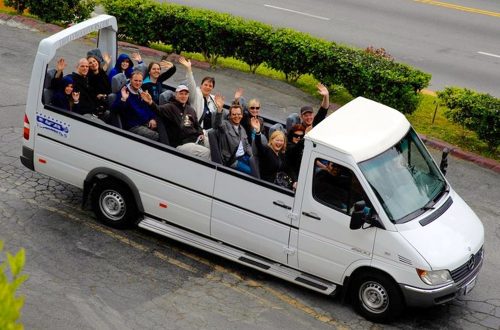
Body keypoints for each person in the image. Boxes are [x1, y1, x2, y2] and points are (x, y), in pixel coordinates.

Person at [146, 84, 211, 160]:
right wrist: (150, 102)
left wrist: (200, 133)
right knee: (207, 153)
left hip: (196, 138)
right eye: (181, 94)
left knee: (213, 145)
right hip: (181, 144)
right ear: (176, 95)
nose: (183, 96)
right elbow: (158, 109)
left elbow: (197, 125)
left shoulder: (191, 109)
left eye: (185, 94)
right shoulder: (170, 107)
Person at [111, 70, 159, 141]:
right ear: (130, 80)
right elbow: (114, 109)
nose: (138, 83)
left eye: (140, 81)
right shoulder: (124, 92)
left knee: (163, 127)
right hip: (133, 126)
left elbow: (147, 108)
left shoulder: (141, 92)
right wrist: (123, 99)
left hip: (145, 122)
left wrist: (152, 118)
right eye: (135, 80)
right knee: (156, 136)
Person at [213, 97, 255, 175]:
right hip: (232, 161)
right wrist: (219, 110)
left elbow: (247, 145)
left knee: (258, 167)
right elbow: (217, 125)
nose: (236, 116)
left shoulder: (242, 129)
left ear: (242, 115)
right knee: (252, 172)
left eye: (239, 114)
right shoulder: (225, 125)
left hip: (243, 156)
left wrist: (254, 156)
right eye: (234, 114)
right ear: (230, 116)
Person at [178, 56, 218, 129]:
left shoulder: (214, 99)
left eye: (210, 86)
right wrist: (189, 69)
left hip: (210, 131)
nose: (207, 87)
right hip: (197, 128)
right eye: (205, 85)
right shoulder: (196, 93)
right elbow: (191, 83)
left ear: (212, 88)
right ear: (201, 86)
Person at [250, 117, 290, 186]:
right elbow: (258, 145)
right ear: (271, 141)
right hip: (268, 185)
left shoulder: (281, 153)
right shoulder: (266, 151)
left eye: (281, 141)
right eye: (277, 140)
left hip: (278, 181)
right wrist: (258, 131)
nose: (279, 143)